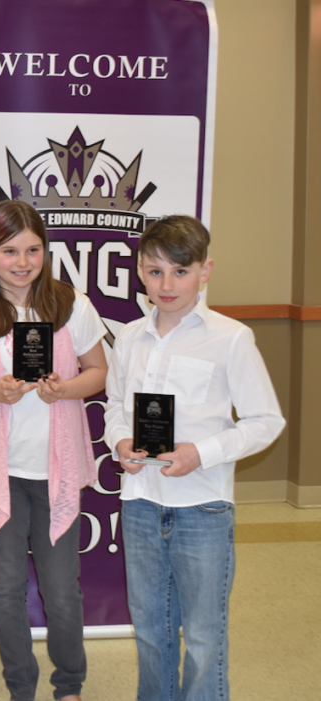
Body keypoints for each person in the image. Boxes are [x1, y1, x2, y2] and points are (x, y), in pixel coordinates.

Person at [104, 215, 285, 701]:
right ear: (139, 270)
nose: (167, 285)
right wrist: (120, 443)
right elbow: (115, 410)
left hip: (203, 509)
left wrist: (199, 453)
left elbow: (266, 421)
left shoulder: (231, 338)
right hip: (141, 503)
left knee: (204, 638)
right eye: (156, 271)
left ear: (205, 271)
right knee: (150, 632)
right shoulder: (127, 338)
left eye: (180, 272)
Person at [0, 200, 107, 701]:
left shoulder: (71, 304)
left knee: (63, 592)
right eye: (9, 250)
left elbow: (98, 372)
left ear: (46, 250)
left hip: (56, 473)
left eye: (33, 249)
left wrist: (65, 388)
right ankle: (21, 687)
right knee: (5, 590)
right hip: (3, 476)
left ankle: (69, 686)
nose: (22, 261)